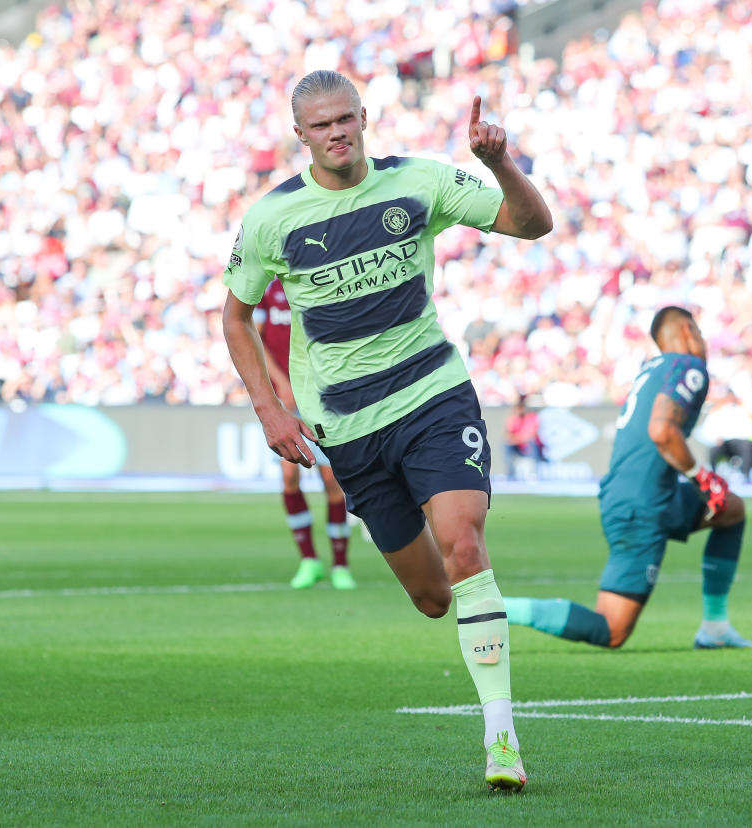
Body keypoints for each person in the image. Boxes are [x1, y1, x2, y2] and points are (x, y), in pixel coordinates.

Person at [221, 70, 552, 790]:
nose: (337, 132)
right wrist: (269, 409)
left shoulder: (418, 183)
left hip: (434, 397)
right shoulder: (272, 219)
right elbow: (235, 317)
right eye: (321, 125)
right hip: (349, 428)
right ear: (300, 135)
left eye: (346, 118)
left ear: (364, 117)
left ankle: (502, 739)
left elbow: (532, 226)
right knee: (434, 597)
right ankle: (483, 608)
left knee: (465, 541)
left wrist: (498, 162)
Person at [503, 306, 752, 650]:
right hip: (641, 505)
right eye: (698, 331)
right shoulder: (687, 366)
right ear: (686, 330)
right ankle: (497, 610)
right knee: (612, 631)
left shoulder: (652, 369)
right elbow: (661, 431)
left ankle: (715, 627)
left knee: (731, 510)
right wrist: (701, 477)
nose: (703, 341)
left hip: (648, 493)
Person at [255, 277, 355, 590]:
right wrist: (280, 383)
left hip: (321, 397)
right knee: (289, 477)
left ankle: (340, 564)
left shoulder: (316, 279)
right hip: (284, 399)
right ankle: (309, 560)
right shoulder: (266, 289)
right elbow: (255, 340)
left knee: (331, 480)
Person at [503, 396, 544, 480]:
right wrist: (518, 438)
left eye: (521, 408)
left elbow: (531, 436)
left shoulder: (531, 417)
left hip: (530, 446)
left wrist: (516, 438)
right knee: (506, 445)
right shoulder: (514, 419)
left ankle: (534, 473)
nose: (519, 411)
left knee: (532, 443)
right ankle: (510, 474)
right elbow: (507, 436)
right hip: (518, 446)